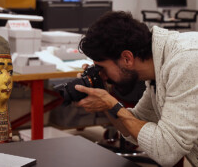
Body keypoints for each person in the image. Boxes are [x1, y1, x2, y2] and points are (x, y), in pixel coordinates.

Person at [75, 11, 198, 166]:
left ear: (127, 58)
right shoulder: (156, 65)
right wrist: (103, 96)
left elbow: (167, 152)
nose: (103, 75)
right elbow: (135, 127)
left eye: (103, 68)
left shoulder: (187, 61)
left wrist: (112, 105)